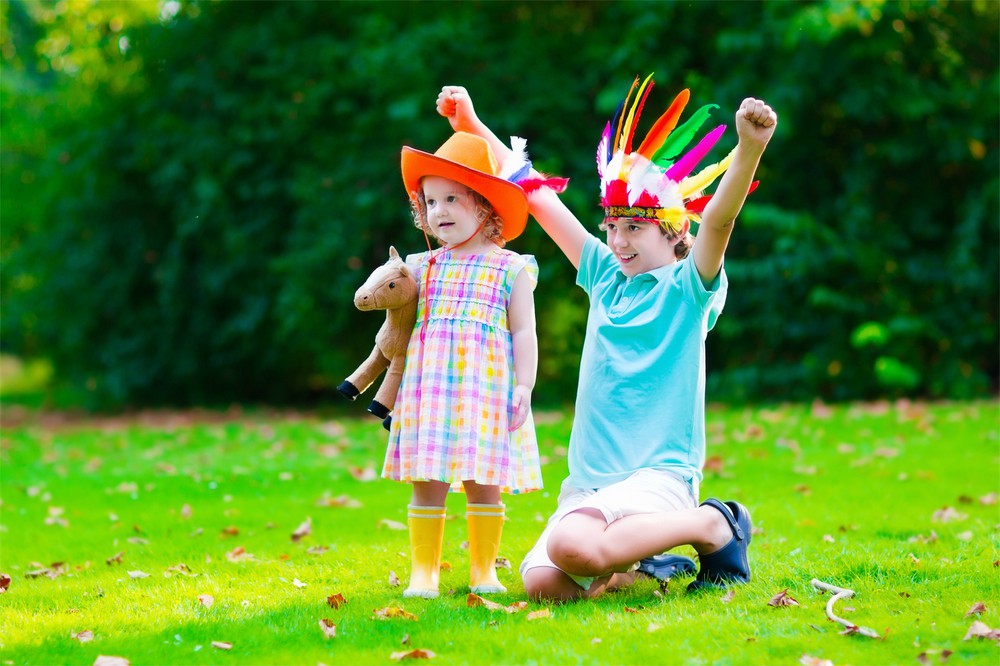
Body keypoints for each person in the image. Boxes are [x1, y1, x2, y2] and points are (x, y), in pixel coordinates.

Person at [435, 75, 778, 602]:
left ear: (671, 230)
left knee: (572, 546)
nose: (618, 241)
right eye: (612, 226)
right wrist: (473, 125)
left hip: (659, 478)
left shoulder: (688, 288)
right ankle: (644, 566)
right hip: (591, 486)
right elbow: (535, 193)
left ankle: (713, 524)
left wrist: (749, 148)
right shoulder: (604, 276)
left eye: (634, 228)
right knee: (544, 583)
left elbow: (719, 221)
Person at [382, 129, 557, 598]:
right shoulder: (420, 267)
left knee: (485, 480)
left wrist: (524, 385)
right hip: (430, 390)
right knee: (427, 479)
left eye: (451, 199)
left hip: (486, 390)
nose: (438, 211)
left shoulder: (511, 267)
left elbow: (524, 331)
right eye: (430, 201)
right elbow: (397, 328)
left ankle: (484, 570)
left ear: (484, 206)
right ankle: (424, 573)